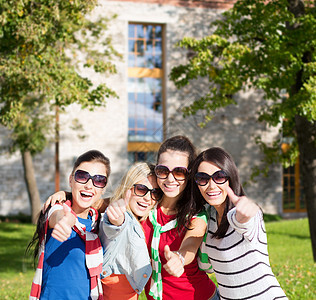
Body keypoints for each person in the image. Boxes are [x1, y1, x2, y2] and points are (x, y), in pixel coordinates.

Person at [190, 147, 288, 299]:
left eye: (219, 176)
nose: (211, 185)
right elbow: (206, 266)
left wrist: (245, 214)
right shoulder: (207, 220)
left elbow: (244, 220)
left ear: (231, 177)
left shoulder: (243, 215)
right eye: (203, 178)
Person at [141, 135, 219, 300]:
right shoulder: (146, 204)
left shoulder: (196, 214)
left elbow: (191, 243)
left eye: (179, 172)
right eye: (163, 170)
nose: (170, 179)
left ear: (189, 175)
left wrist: (180, 258)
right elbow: (111, 200)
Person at [27, 150, 110, 300]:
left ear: (103, 188)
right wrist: (66, 221)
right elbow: (59, 216)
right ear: (71, 180)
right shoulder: (56, 209)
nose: (89, 185)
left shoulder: (98, 223)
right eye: (82, 176)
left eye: (98, 180)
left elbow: (122, 200)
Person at [99, 162, 163, 300]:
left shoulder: (147, 221)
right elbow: (115, 228)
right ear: (128, 187)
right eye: (141, 189)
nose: (147, 198)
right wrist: (116, 219)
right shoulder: (124, 217)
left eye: (155, 193)